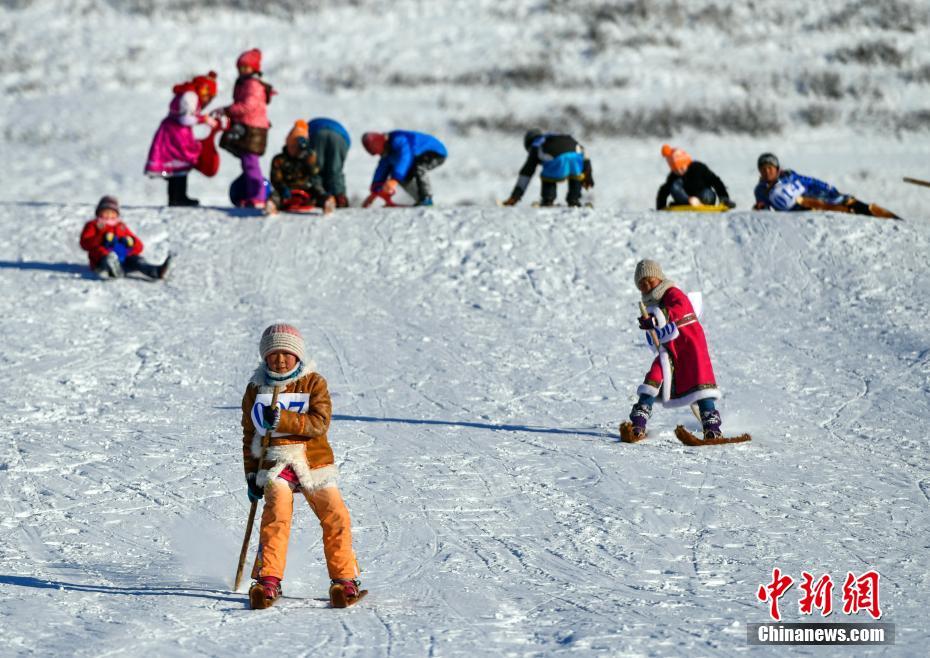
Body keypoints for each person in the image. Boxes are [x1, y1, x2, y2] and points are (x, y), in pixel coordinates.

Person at [241, 324, 363, 609]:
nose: (280, 360)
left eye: (287, 353)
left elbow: (320, 423)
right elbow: (249, 434)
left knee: (336, 515)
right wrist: (251, 474)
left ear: (298, 355)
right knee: (277, 515)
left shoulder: (313, 383)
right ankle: (268, 580)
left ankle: (345, 580)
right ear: (265, 357)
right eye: (273, 354)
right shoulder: (256, 389)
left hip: (312, 461)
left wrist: (281, 419)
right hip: (275, 463)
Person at [624, 260, 722, 441]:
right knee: (654, 375)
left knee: (699, 380)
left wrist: (655, 319)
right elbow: (657, 329)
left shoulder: (672, 292)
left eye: (650, 280)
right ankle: (639, 420)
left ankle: (711, 425)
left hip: (689, 345)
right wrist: (650, 324)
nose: (647, 285)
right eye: (642, 284)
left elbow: (680, 308)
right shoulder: (651, 305)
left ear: (659, 278)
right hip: (669, 350)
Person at [145, 72, 219, 206]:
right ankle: (177, 197)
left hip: (175, 134)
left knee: (178, 167)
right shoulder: (190, 96)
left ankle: (178, 196)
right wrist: (204, 119)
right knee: (179, 164)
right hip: (175, 136)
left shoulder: (188, 94)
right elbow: (185, 119)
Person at [753, 153, 899, 218]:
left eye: (770, 168)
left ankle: (878, 214)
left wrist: (831, 190)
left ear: (777, 169)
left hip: (816, 199)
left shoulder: (789, 176)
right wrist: (760, 208)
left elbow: (812, 182)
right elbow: (765, 209)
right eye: (763, 169)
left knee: (847, 202)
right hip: (800, 213)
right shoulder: (761, 190)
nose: (767, 172)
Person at [215, 49, 274, 209]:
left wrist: (228, 110)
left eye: (246, 67)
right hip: (247, 127)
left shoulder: (252, 85)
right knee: (246, 162)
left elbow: (248, 106)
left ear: (254, 68)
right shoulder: (245, 83)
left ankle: (258, 196)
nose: (242, 70)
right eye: (240, 67)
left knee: (251, 163)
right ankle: (250, 194)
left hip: (253, 130)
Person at [79, 196, 172, 280]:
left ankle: (156, 271)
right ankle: (110, 268)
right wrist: (102, 239)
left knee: (137, 260)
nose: (109, 215)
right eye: (106, 212)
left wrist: (130, 242)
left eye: (112, 212)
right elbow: (85, 243)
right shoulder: (93, 225)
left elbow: (139, 247)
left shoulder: (121, 226)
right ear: (99, 212)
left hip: (123, 258)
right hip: (100, 261)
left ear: (116, 214)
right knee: (102, 252)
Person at [502, 129, 594, 207]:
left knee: (547, 175)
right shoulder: (557, 136)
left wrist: (515, 196)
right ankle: (574, 200)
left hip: (557, 159)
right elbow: (583, 151)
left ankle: (548, 200)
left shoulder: (536, 144)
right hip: (576, 156)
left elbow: (527, 172)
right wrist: (588, 173)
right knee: (576, 174)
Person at [360, 130, 447, 207]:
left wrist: (395, 179)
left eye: (380, 152)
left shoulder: (399, 140)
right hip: (415, 157)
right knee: (403, 177)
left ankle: (426, 198)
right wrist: (375, 191)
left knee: (418, 167)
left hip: (436, 152)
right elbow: (382, 169)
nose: (381, 155)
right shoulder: (386, 153)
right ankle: (419, 198)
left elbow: (405, 158)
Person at [265, 120, 335, 215]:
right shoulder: (279, 159)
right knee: (276, 194)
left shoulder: (308, 157)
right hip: (287, 189)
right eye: (292, 146)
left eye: (296, 147)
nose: (294, 149)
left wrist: (309, 160)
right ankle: (272, 204)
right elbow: (275, 178)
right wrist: (282, 187)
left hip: (306, 188)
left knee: (317, 190)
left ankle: (327, 202)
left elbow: (315, 173)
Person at [655, 144, 733, 209]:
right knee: (674, 186)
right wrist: (661, 207)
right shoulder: (673, 176)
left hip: (704, 197)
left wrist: (724, 197)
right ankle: (690, 201)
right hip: (686, 199)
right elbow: (664, 190)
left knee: (707, 194)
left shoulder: (698, 168)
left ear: (686, 162)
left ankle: (697, 202)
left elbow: (715, 181)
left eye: (681, 168)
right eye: (676, 170)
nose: (679, 171)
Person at [307, 118, 351, 208]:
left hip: (316, 132)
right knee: (335, 169)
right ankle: (339, 196)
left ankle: (320, 195)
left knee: (315, 168)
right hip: (341, 136)